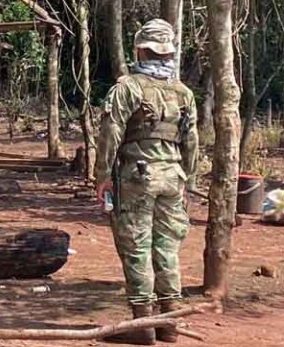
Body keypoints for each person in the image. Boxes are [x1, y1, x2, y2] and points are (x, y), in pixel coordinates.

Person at [95, 19, 199, 345]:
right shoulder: (183, 93)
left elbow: (111, 132)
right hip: (173, 178)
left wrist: (102, 175)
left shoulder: (128, 88)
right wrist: (188, 181)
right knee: (167, 248)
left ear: (140, 50)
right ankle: (170, 322)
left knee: (136, 246)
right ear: (168, 53)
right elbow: (191, 142)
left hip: (138, 177)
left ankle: (143, 325)